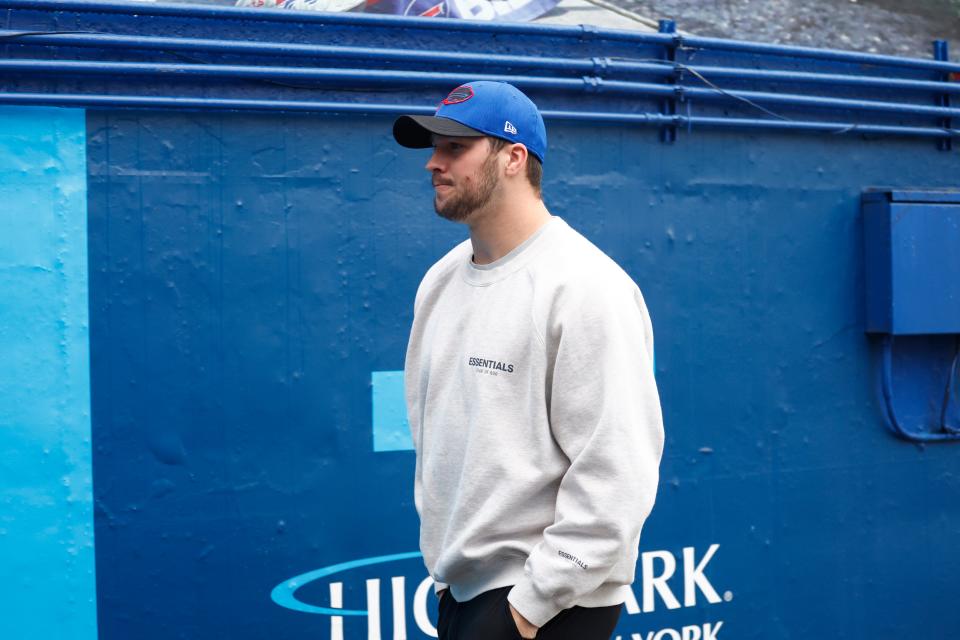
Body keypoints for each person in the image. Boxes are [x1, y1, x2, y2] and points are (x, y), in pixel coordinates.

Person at [393, 81, 664, 640]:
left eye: (454, 148)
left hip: (548, 606)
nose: (433, 164)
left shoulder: (586, 286)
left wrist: (528, 606)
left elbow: (618, 471)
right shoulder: (439, 282)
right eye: (433, 147)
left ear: (514, 158)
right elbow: (435, 438)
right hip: (462, 591)